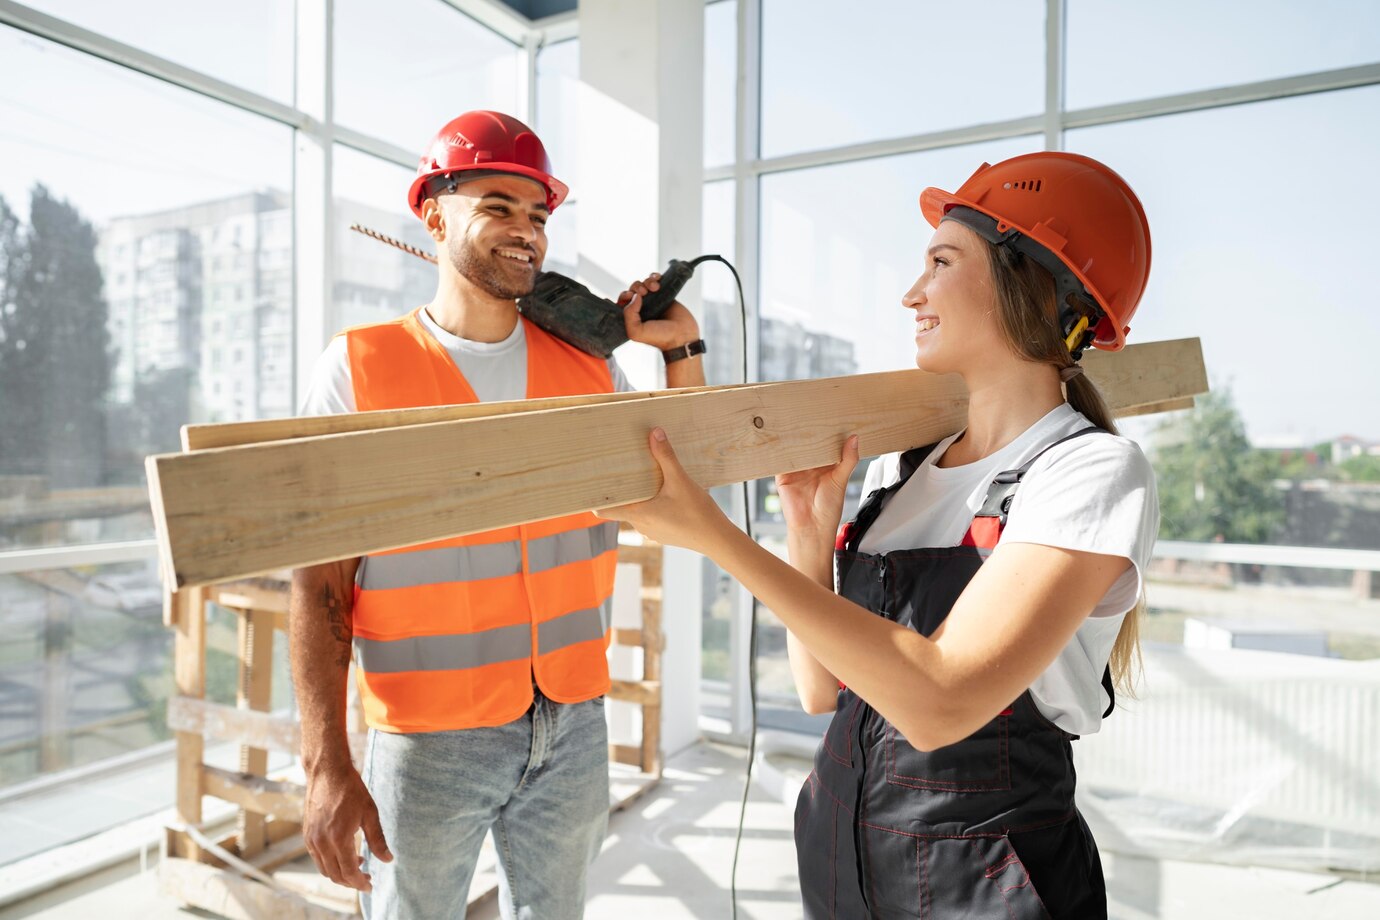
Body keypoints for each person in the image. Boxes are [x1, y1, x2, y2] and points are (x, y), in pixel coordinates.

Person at [600, 151, 1158, 918]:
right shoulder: (900, 469)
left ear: (1026, 280)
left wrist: (718, 537)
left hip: (986, 882)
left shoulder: (1089, 472)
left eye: (940, 261)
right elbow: (823, 690)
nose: (911, 292)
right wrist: (808, 536)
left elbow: (937, 701)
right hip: (844, 859)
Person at [290, 110, 706, 919]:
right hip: (427, 734)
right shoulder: (360, 368)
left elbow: (675, 499)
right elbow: (319, 582)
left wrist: (679, 352)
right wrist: (325, 764)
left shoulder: (589, 368)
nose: (527, 233)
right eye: (498, 207)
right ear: (433, 211)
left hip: (575, 721)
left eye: (539, 215)